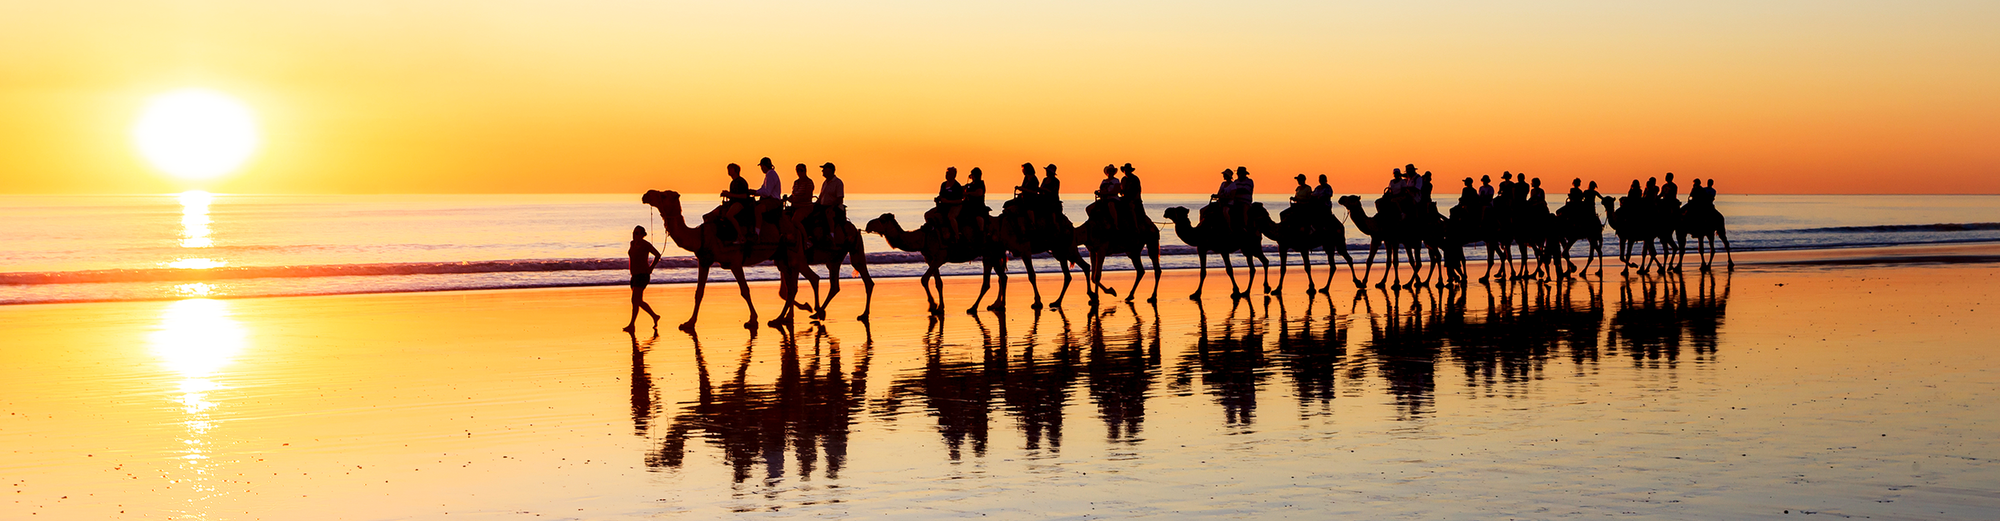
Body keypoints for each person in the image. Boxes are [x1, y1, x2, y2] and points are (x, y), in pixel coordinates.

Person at [624, 225, 662, 333]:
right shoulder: (632, 243)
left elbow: (658, 255)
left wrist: (651, 268)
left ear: (642, 235)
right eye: (634, 232)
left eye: (637, 233)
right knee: (637, 301)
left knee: (635, 300)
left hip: (643, 275)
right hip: (634, 275)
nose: (634, 234)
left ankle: (632, 325)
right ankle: (655, 316)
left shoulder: (646, 245)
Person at [719, 163, 756, 243]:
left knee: (729, 215)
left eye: (730, 169)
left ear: (736, 170)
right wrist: (726, 194)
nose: (728, 171)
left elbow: (744, 196)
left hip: (742, 203)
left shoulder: (741, 181)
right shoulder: (732, 183)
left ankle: (740, 236)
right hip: (734, 202)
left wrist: (729, 194)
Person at [817, 163, 846, 243]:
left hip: (835, 207)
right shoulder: (825, 183)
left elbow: (839, 198)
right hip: (823, 206)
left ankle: (831, 235)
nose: (822, 171)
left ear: (829, 170)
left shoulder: (838, 182)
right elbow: (821, 196)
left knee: (828, 214)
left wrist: (831, 207)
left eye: (824, 169)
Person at [937, 167, 965, 240]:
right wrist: (939, 198)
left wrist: (948, 201)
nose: (946, 175)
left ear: (953, 175)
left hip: (955, 205)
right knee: (929, 214)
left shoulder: (957, 186)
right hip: (944, 206)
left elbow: (959, 200)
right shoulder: (943, 184)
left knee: (951, 217)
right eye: (946, 173)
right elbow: (941, 195)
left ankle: (957, 235)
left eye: (948, 173)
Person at [1095, 164, 1123, 229]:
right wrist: (1098, 192)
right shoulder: (1103, 181)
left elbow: (1116, 191)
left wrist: (1106, 193)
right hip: (1104, 199)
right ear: (1107, 172)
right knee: (1089, 208)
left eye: (1112, 171)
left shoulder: (1116, 181)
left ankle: (1115, 223)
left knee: (1111, 205)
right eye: (1109, 171)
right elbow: (1101, 190)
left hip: (1113, 198)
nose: (1110, 172)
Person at [965, 167, 988, 238]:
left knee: (978, 216)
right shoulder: (970, 185)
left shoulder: (980, 184)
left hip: (978, 205)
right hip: (969, 205)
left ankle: (981, 231)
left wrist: (968, 193)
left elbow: (979, 193)